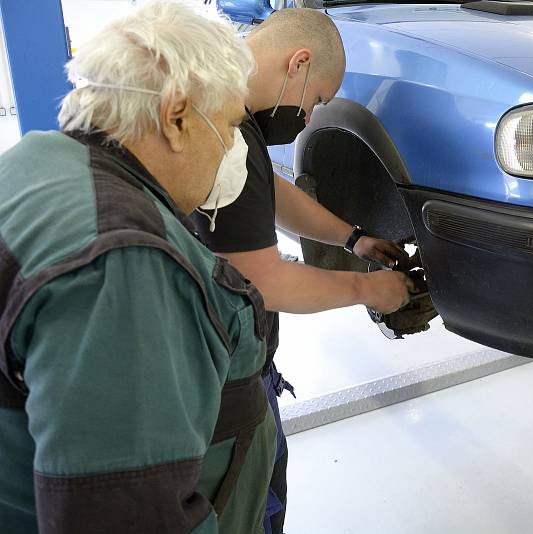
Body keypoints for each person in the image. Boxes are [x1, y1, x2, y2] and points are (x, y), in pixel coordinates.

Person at [0, 2, 277, 532]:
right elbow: (120, 513)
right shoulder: (121, 263)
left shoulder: (37, 163)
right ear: (177, 117)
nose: (231, 146)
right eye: (229, 124)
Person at [191, 8, 413, 534]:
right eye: (316, 100)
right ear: (299, 63)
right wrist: (370, 289)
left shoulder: (210, 93)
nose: (310, 118)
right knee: (250, 503)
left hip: (209, 360)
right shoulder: (224, 136)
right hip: (217, 380)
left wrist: (353, 238)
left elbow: (266, 188)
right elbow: (267, 283)